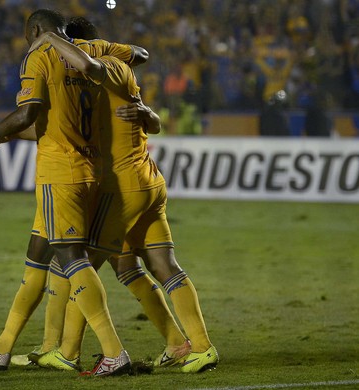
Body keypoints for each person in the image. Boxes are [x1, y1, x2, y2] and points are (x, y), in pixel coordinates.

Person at [27, 19, 219, 374]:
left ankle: (67, 352)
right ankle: (189, 345)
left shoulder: (106, 67)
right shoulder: (117, 71)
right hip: (147, 180)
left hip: (124, 185)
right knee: (144, 266)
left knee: (78, 266)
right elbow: (146, 115)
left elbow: (92, 68)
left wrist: (52, 39)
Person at [0, 9, 147, 377]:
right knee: (37, 256)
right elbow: (139, 54)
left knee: (72, 258)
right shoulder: (93, 49)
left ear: (34, 31)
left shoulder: (40, 55)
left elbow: (28, 113)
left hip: (60, 173)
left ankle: (113, 352)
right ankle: (1, 347)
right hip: (91, 169)